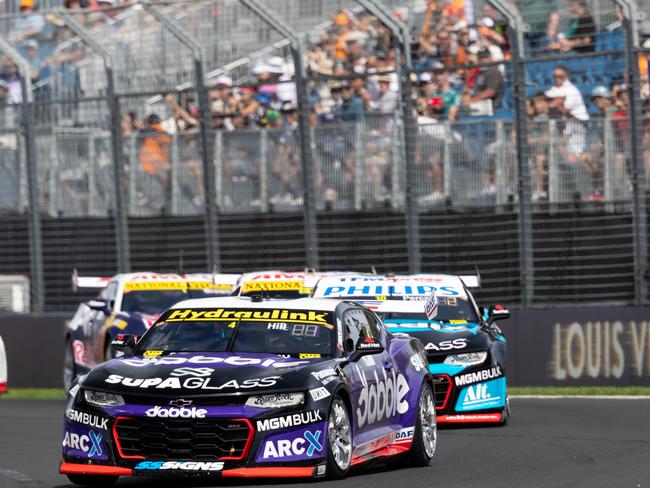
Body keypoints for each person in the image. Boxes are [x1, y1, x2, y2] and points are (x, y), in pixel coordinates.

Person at [461, 48, 504, 116]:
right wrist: (466, 96)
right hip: (479, 105)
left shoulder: (493, 71)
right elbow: (469, 86)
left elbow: (490, 92)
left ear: (490, 57)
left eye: (485, 57)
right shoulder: (479, 73)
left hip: (491, 107)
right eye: (481, 58)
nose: (483, 60)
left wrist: (472, 100)